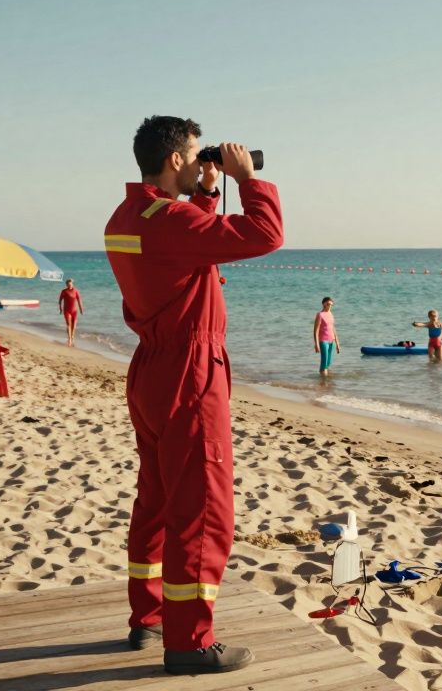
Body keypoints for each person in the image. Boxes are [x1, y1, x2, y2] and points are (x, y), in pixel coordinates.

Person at [104, 116, 284, 674]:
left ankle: (149, 618)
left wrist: (207, 192)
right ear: (177, 158)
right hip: (189, 372)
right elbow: (265, 236)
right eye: (193, 155)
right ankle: (190, 643)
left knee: (156, 501)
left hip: (152, 370)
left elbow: (182, 249)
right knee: (203, 511)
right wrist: (249, 179)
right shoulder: (168, 221)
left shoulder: (130, 217)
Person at [313, 297, 341, 376]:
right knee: (324, 362)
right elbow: (316, 331)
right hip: (323, 341)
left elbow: (333, 329)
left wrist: (337, 344)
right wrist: (316, 344)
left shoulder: (331, 314)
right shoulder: (320, 315)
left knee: (328, 363)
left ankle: (326, 382)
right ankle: (323, 383)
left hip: (331, 341)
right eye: (328, 304)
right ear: (324, 304)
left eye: (331, 305)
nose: (330, 306)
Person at [58, 279, 84, 346]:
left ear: (72, 284)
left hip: (74, 311)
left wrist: (81, 309)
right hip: (67, 311)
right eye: (68, 285)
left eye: (71, 284)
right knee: (69, 324)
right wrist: (60, 309)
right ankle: (69, 338)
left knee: (74, 325)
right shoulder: (64, 291)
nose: (69, 286)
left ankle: (72, 336)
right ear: (66, 285)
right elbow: (60, 300)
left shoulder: (76, 291)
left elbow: (79, 300)